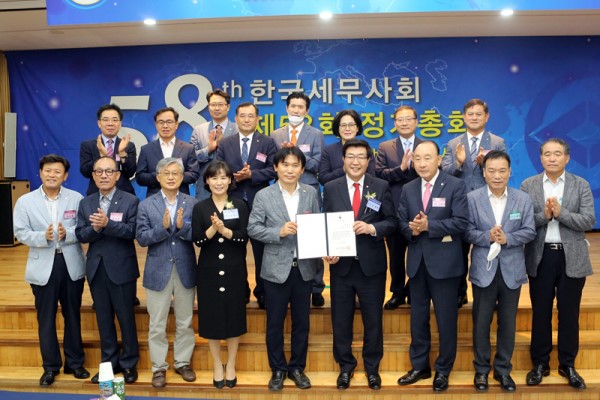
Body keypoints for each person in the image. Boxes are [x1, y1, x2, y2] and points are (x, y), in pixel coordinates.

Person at [521, 138, 596, 390]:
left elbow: (589, 220)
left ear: (567, 158)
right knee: (540, 312)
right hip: (541, 256)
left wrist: (561, 214)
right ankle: (540, 363)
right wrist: (544, 216)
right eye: (547, 154)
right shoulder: (529, 185)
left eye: (557, 154)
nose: (552, 158)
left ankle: (567, 364)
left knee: (569, 313)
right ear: (540, 157)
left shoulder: (580, 184)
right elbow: (523, 222)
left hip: (571, 256)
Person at [322, 139, 397, 391]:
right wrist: (328, 250)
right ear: (343, 160)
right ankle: (345, 366)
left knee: (373, 319)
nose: (355, 162)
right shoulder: (330, 187)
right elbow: (325, 223)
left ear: (368, 161)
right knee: (340, 320)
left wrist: (372, 228)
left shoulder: (381, 186)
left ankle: (372, 368)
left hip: (371, 266)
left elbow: (391, 222)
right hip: (341, 266)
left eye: (361, 157)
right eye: (350, 157)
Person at [397, 141, 469, 392]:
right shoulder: (408, 188)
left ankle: (443, 369)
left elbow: (461, 222)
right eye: (417, 158)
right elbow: (401, 221)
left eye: (427, 158)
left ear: (439, 160)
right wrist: (412, 230)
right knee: (418, 319)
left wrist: (430, 226)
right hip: (417, 265)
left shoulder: (455, 185)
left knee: (446, 320)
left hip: (445, 265)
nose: (422, 163)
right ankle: (420, 366)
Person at [248, 147, 321, 391]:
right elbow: (253, 228)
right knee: (275, 323)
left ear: (302, 169)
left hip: (304, 268)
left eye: (295, 165)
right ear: (276, 168)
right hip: (275, 269)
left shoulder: (311, 192)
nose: (290, 170)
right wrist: (277, 232)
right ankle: (278, 369)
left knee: (302, 323)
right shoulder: (264, 195)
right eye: (285, 165)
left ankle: (297, 368)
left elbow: (317, 225)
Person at [13, 154, 90, 387]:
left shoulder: (76, 198)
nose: (52, 175)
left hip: (71, 263)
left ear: (65, 176)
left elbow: (84, 228)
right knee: (45, 318)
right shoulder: (25, 201)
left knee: (72, 315)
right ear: (40, 173)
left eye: (57, 171)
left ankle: (75, 363)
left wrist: (69, 234)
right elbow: (20, 232)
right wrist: (42, 236)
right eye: (48, 171)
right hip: (43, 265)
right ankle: (50, 367)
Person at [464, 150, 536, 392]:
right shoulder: (472, 198)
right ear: (484, 173)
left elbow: (530, 230)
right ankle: (481, 370)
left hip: (511, 270)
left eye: (502, 171)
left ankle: (503, 370)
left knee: (507, 323)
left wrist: (508, 238)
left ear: (510, 172)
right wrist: (487, 236)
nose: (497, 176)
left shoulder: (521, 199)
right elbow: (466, 231)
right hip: (483, 269)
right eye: (492, 171)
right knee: (481, 323)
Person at [76, 156, 140, 384]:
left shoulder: (130, 200)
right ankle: (109, 363)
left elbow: (133, 231)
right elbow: (80, 234)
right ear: (93, 176)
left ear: (117, 175)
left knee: (126, 318)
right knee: (104, 320)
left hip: (122, 267)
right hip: (96, 268)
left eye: (109, 171)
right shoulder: (86, 203)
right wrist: (95, 229)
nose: (104, 175)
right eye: (99, 171)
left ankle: (129, 363)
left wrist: (107, 225)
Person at [136, 158, 198, 388]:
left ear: (182, 177)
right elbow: (142, 238)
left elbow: (198, 237)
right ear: (158, 177)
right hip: (157, 270)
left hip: (185, 269)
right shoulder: (146, 205)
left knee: (185, 321)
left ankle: (183, 362)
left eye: (176, 173)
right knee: (157, 323)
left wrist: (182, 227)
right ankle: (159, 367)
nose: (171, 177)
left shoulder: (192, 203)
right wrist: (161, 228)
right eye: (166, 173)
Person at [441, 98, 507, 308]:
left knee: (488, 247)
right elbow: (445, 173)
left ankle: (490, 294)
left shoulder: (497, 142)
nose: (474, 117)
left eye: (479, 114)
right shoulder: (453, 143)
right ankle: (460, 292)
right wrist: (459, 162)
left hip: (487, 204)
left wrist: (484, 164)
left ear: (487, 117)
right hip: (459, 204)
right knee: (458, 251)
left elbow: (503, 171)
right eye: (470, 114)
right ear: (464, 117)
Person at [192, 160, 249, 389]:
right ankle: (217, 364)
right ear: (207, 181)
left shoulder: (239, 204)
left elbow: (244, 236)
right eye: (214, 178)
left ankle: (231, 364)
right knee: (211, 318)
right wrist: (213, 228)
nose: (219, 182)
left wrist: (225, 231)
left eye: (223, 177)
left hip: (235, 269)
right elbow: (197, 240)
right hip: (209, 271)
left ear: (230, 180)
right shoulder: (200, 207)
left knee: (235, 316)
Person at [216, 102, 278, 309]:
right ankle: (239, 290)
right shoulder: (226, 143)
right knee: (235, 249)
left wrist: (252, 175)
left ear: (257, 119)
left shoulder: (267, 142)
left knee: (261, 250)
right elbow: (217, 169)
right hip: (232, 202)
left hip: (260, 202)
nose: (246, 119)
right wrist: (234, 177)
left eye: (251, 116)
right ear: (236, 119)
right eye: (242, 116)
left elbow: (274, 170)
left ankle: (262, 292)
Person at [271, 91, 326, 307]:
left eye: (300, 107)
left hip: (308, 190)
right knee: (286, 235)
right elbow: (273, 163)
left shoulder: (316, 134)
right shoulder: (276, 134)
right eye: (292, 106)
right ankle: (284, 281)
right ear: (286, 108)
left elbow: (318, 163)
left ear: (307, 110)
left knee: (312, 238)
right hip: (282, 193)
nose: (296, 110)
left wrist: (295, 156)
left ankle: (317, 287)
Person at [375, 105, 423, 309]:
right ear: (394, 123)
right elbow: (379, 174)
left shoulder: (425, 146)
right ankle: (397, 292)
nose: (404, 123)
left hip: (420, 209)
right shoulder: (385, 147)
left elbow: (431, 173)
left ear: (416, 122)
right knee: (395, 254)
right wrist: (401, 168)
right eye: (400, 119)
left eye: (408, 119)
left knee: (417, 252)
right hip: (394, 209)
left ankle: (414, 289)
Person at [136, 107, 200, 197]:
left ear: (176, 124)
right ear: (156, 125)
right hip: (154, 199)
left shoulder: (188, 148)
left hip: (181, 198)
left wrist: (175, 175)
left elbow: (194, 174)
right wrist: (160, 176)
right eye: (161, 122)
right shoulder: (146, 149)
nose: (165, 126)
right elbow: (140, 177)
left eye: (169, 122)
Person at [190, 89, 237, 201]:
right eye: (213, 105)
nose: (217, 108)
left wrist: (223, 146)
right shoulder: (199, 130)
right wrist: (208, 149)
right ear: (208, 107)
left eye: (220, 104)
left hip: (233, 188)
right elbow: (191, 159)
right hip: (205, 190)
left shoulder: (238, 130)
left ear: (228, 107)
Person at [80, 104, 137, 196]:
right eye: (106, 120)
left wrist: (121, 154)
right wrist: (101, 156)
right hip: (96, 194)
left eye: (115, 120)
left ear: (120, 124)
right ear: (99, 123)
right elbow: (85, 172)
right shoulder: (88, 145)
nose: (110, 123)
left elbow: (131, 172)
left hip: (124, 195)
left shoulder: (128, 145)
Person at [318, 109, 375, 185]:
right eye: (343, 125)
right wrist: (343, 170)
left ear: (357, 128)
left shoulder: (365, 148)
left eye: (351, 125)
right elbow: (323, 179)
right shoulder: (329, 150)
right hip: (336, 191)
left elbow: (372, 177)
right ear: (338, 129)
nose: (347, 128)